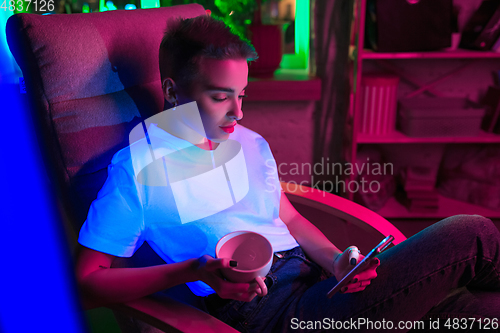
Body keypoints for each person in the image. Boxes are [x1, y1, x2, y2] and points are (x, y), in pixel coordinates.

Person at [76, 14, 500, 332]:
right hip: (275, 314)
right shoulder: (138, 166)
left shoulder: (250, 143)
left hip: (323, 287)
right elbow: (88, 282)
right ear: (172, 91)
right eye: (221, 96)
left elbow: (289, 219)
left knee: (484, 313)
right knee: (472, 234)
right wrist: (193, 272)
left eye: (242, 95)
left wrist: (337, 261)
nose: (238, 112)